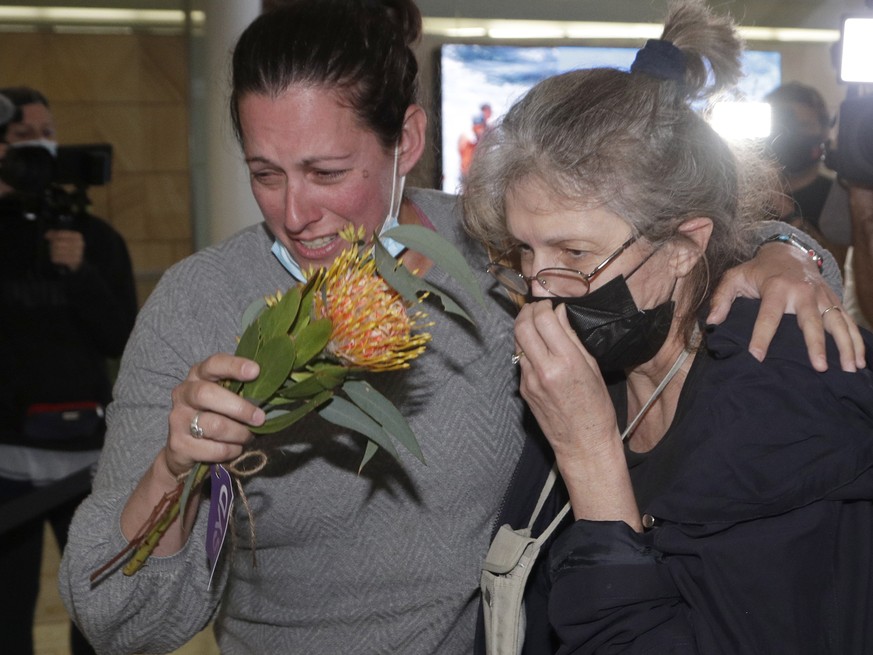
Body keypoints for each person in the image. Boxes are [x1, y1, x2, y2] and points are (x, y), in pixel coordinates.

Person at [58, 1, 861, 653]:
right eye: (265, 174)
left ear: (406, 139)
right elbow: (117, 620)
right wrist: (174, 470)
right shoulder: (198, 306)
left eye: (329, 172)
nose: (295, 211)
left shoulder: (496, 257)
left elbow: (655, 241)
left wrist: (782, 252)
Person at [462, 1, 873, 652]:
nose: (540, 288)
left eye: (573, 255)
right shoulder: (603, 360)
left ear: (682, 249)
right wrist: (781, 244)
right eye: (523, 253)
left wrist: (591, 460)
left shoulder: (772, 395)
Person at [0, 86, 137, 655]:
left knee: (97, 612)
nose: (41, 148)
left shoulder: (96, 239)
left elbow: (121, 338)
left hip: (90, 459)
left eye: (48, 134)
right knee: (7, 614)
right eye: (24, 138)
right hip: (7, 461)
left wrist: (79, 273)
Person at [765, 82, 850, 272]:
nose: (792, 135)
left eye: (804, 126)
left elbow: (834, 269)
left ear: (824, 132)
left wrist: (788, 214)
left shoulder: (839, 196)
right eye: (784, 125)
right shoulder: (746, 198)